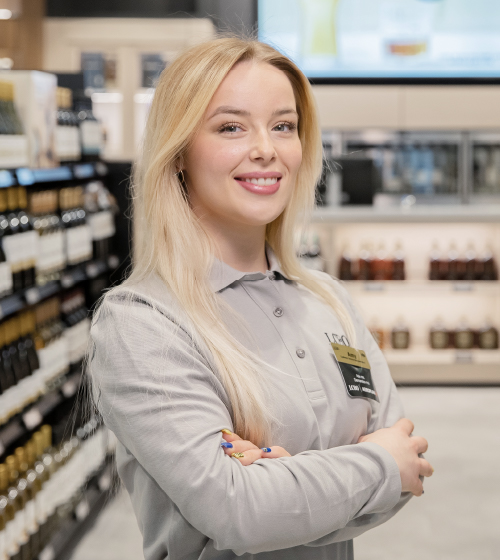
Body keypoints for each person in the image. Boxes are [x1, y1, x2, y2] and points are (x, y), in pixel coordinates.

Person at [88, 37, 433, 560]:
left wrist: (285, 491)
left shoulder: (329, 300)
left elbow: (407, 459)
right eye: (231, 126)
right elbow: (241, 514)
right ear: (178, 152)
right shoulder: (143, 325)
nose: (266, 149)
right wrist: (375, 466)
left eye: (283, 125)